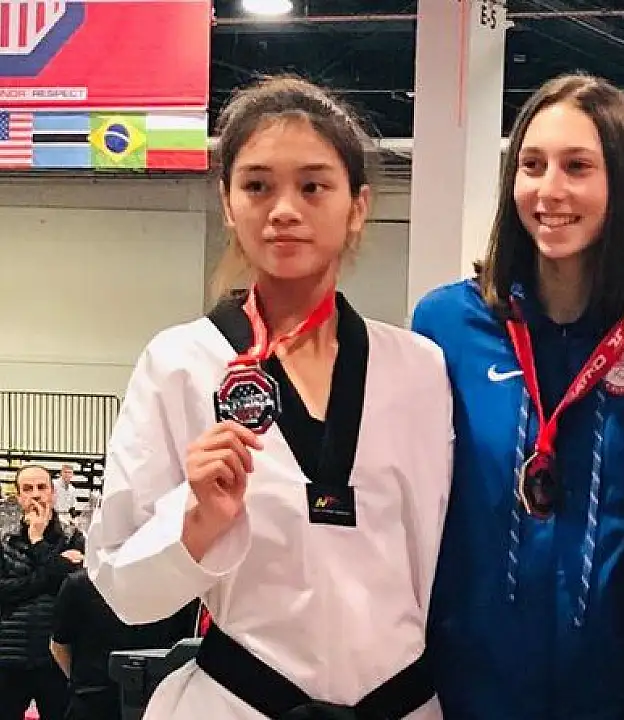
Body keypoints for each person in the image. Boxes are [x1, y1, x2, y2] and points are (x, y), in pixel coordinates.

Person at [86, 76, 453, 720]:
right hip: (242, 701)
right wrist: (198, 519)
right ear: (228, 203)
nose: (284, 209)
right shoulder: (180, 363)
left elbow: (447, 561)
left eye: (313, 186)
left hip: (403, 702)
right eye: (257, 186)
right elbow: (124, 591)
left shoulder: (419, 369)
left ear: (358, 205)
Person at [411, 73, 624, 720]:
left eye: (578, 167)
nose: (549, 190)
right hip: (471, 692)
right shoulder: (447, 326)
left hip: (622, 694)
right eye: (532, 165)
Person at [50, 568, 199, 720]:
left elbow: (58, 646)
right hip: (146, 694)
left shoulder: (79, 583)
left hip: (100, 693)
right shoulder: (177, 583)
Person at [0, 465, 83, 720]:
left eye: (41, 487)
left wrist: (37, 540)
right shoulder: (4, 540)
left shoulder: (72, 538)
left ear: (52, 492)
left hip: (56, 658)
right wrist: (55, 569)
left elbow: (73, 589)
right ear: (18, 496)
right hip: (8, 657)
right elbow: (3, 592)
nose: (36, 494)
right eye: (28, 489)